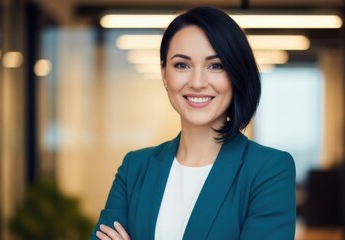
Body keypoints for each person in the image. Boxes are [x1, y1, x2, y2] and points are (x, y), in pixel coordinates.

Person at [91, 6, 296, 240]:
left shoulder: (268, 170)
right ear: (164, 74)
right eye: (182, 65)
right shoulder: (135, 168)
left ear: (236, 74)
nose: (197, 82)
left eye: (215, 65)